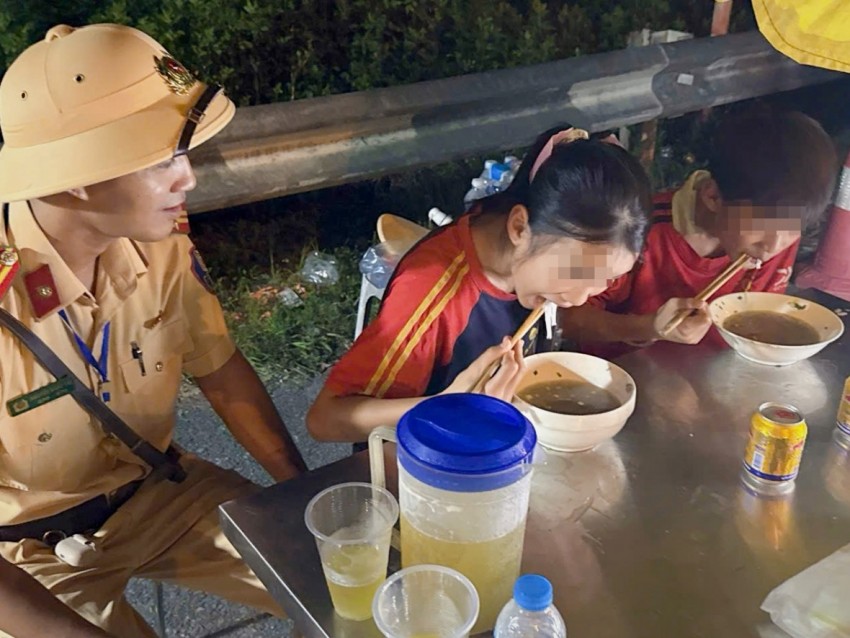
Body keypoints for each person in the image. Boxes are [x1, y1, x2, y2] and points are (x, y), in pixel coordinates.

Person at [0, 24, 307, 637]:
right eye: (163, 158)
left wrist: (303, 499)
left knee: (345, 580)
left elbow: (221, 372)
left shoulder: (162, 250)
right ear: (78, 173)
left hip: (159, 490)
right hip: (26, 555)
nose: (187, 177)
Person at [307, 126, 652, 443]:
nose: (578, 298)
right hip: (420, 477)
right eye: (574, 273)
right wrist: (447, 406)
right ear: (519, 227)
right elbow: (325, 420)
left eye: (604, 281)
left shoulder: (534, 267)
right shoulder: (433, 291)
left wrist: (654, 327)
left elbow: (570, 318)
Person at [559, 108, 838, 357]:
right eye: (762, 226)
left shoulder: (777, 236)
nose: (773, 246)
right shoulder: (637, 229)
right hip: (622, 381)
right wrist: (650, 327)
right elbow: (568, 317)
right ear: (713, 196)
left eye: (792, 229)